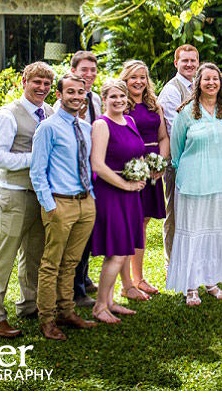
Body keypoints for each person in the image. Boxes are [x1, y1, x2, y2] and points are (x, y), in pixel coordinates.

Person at [0, 62, 54, 338]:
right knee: (4, 257)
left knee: (34, 255)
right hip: (13, 195)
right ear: (24, 81)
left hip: (39, 196)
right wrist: (32, 160)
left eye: (47, 84)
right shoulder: (8, 115)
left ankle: (28, 304)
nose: (42, 88)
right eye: (37, 82)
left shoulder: (48, 112)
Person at [165, 63, 222, 306]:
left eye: (215, 79)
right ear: (198, 83)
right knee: (194, 232)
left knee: (216, 230)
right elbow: (176, 151)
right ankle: (190, 285)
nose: (211, 83)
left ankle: (211, 281)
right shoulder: (186, 112)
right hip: (192, 183)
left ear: (221, 83)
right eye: (206, 79)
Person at [30, 73, 98, 340]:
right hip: (60, 204)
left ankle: (66, 311)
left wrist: (90, 198)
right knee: (51, 264)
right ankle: (46, 320)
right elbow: (37, 172)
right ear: (58, 95)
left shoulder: (86, 128)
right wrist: (50, 206)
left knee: (71, 264)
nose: (76, 97)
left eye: (80, 92)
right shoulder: (48, 128)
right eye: (70, 92)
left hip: (85, 203)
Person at [89, 79, 149, 323]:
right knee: (115, 252)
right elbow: (98, 165)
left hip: (131, 194)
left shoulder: (130, 121)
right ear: (104, 99)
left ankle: (111, 302)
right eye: (113, 96)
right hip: (111, 193)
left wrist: (142, 172)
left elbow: (136, 153)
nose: (119, 101)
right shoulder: (101, 125)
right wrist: (125, 184)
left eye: (122, 97)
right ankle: (99, 306)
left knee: (124, 250)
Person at [53, 51, 102, 307]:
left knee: (87, 234)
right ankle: (75, 290)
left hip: (91, 175)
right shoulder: (63, 105)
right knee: (72, 240)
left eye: (93, 70)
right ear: (73, 71)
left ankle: (83, 278)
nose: (90, 75)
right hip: (69, 179)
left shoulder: (94, 98)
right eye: (85, 70)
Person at [117, 60, 169, 300]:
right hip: (128, 168)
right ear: (125, 80)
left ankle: (138, 278)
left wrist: (161, 163)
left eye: (142, 77)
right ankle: (125, 282)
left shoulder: (153, 105)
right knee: (128, 223)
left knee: (143, 223)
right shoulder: (120, 105)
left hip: (152, 170)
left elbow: (163, 137)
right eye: (133, 77)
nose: (138, 81)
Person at [157, 44, 200, 267]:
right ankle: (172, 262)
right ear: (176, 63)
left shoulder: (200, 87)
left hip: (199, 162)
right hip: (179, 162)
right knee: (175, 212)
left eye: (193, 60)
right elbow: (175, 131)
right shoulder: (172, 90)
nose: (189, 64)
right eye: (185, 61)